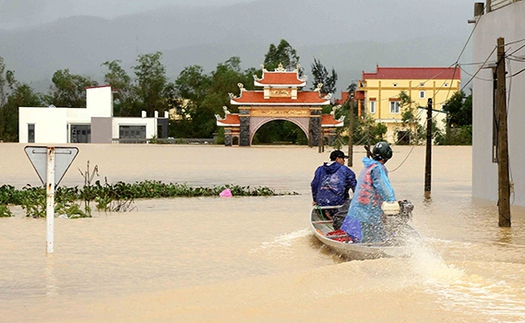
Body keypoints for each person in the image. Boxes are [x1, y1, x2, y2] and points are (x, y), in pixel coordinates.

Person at [340, 141, 398, 243]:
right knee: (372, 236)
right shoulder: (378, 168)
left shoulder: (368, 166)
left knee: (365, 234)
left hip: (358, 209)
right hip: (369, 210)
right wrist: (392, 201)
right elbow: (384, 187)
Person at [311, 150, 356, 229]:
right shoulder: (345, 170)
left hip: (322, 203)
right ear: (337, 159)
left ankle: (328, 215)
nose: (344, 161)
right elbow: (354, 186)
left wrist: (315, 200)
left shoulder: (320, 169)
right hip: (338, 203)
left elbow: (314, 185)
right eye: (343, 158)